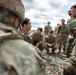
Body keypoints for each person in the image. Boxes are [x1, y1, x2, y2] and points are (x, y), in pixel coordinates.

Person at [0, 0, 46, 75]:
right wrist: (33, 50)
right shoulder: (26, 52)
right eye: (29, 24)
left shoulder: (27, 35)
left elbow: (40, 41)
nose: (31, 26)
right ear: (16, 20)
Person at [63, 5, 76, 75]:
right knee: (68, 49)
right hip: (71, 37)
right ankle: (68, 59)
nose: (71, 12)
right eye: (71, 11)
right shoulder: (70, 20)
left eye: (73, 11)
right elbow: (69, 29)